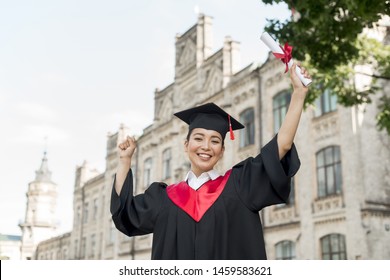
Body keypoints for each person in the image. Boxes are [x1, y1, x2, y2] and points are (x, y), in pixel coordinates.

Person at [111, 63, 311, 259]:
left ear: (222, 150)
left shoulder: (240, 185)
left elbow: (281, 147)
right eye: (198, 138)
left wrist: (298, 94)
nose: (206, 146)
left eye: (215, 140)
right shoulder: (165, 198)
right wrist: (124, 161)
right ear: (186, 145)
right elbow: (126, 214)